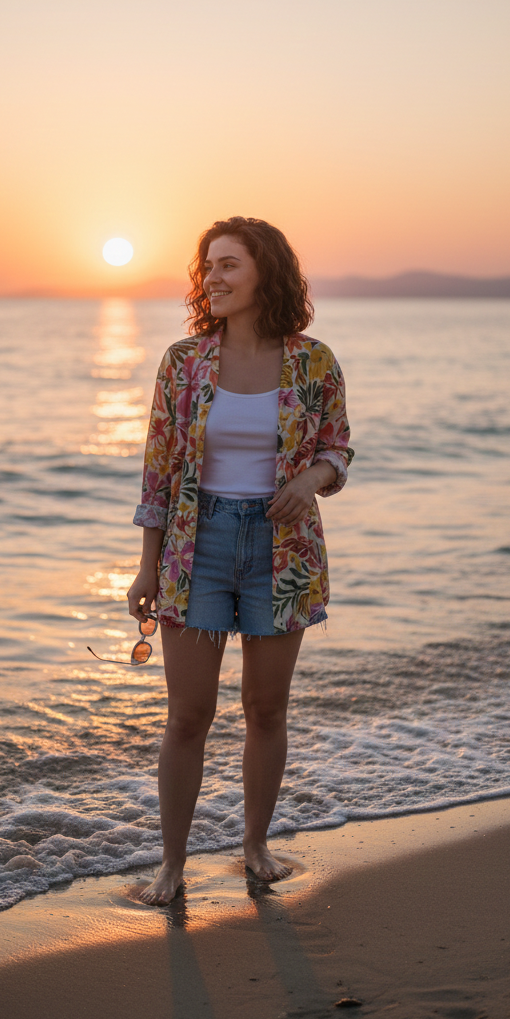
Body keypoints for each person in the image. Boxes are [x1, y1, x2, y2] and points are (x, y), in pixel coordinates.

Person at [127, 216, 353, 905]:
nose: (213, 278)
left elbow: (338, 449)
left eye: (229, 265)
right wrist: (146, 565)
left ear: (266, 273)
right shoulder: (183, 362)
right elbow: (159, 474)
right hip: (199, 546)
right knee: (187, 714)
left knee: (265, 709)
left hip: (281, 551)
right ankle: (171, 863)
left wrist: (308, 482)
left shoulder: (313, 362)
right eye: (208, 267)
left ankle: (255, 845)